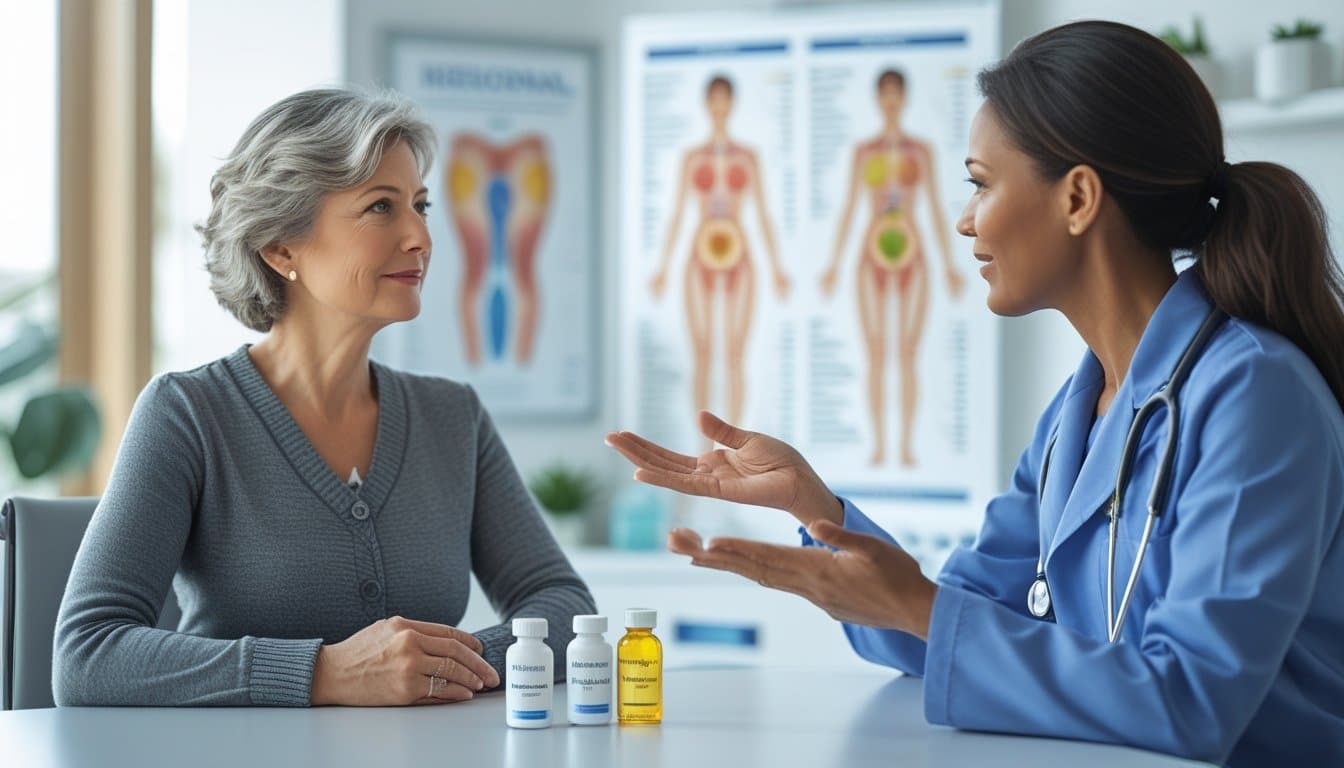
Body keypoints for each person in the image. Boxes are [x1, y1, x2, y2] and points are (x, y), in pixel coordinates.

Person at [607, 21, 1344, 766]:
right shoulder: (1076, 413)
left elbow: (1194, 699)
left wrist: (918, 607)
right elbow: (959, 622)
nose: (964, 220)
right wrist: (817, 511)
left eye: (981, 184)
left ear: (1079, 197)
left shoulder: (1255, 395)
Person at [53, 88, 595, 707]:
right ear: (282, 247)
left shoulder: (453, 418)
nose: (421, 236)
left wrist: (439, 667)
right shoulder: (187, 415)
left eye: (420, 205)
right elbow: (87, 655)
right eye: (380, 208)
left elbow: (565, 606)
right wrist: (327, 673)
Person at [820, 69, 966, 467]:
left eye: (895, 94)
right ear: (877, 99)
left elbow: (935, 206)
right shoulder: (863, 152)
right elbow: (850, 207)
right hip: (870, 257)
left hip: (913, 255)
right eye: (884, 94)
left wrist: (951, 264)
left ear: (904, 99)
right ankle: (881, 446)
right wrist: (833, 264)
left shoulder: (921, 152)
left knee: (907, 353)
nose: (890, 101)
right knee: (875, 353)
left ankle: (903, 447)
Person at [649, 75, 791, 432]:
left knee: (734, 354)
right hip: (699, 256)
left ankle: (737, 444)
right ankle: (702, 447)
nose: (719, 107)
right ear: (707, 104)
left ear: (732, 103)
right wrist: (663, 266)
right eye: (714, 99)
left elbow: (762, 213)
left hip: (740, 255)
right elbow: (678, 213)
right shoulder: (692, 157)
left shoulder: (748, 157)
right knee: (700, 354)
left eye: (724, 99)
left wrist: (776, 267)